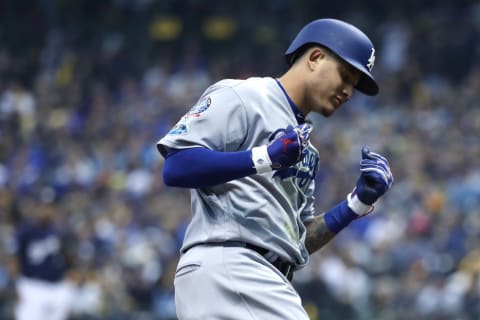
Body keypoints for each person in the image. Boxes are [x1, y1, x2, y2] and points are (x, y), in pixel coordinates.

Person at [157, 18, 393, 319]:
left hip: (258, 275)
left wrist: (356, 204)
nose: (348, 91)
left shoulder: (306, 148)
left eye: (354, 86)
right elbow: (176, 166)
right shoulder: (244, 95)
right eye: (345, 75)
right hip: (233, 266)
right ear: (315, 57)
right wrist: (265, 157)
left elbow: (297, 241)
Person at [10, 197, 75, 320]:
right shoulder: (26, 231)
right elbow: (15, 260)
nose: (47, 211)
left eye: (50, 207)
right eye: (44, 206)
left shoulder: (60, 232)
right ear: (37, 208)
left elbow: (69, 259)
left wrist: (69, 281)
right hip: (32, 286)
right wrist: (15, 285)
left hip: (57, 287)